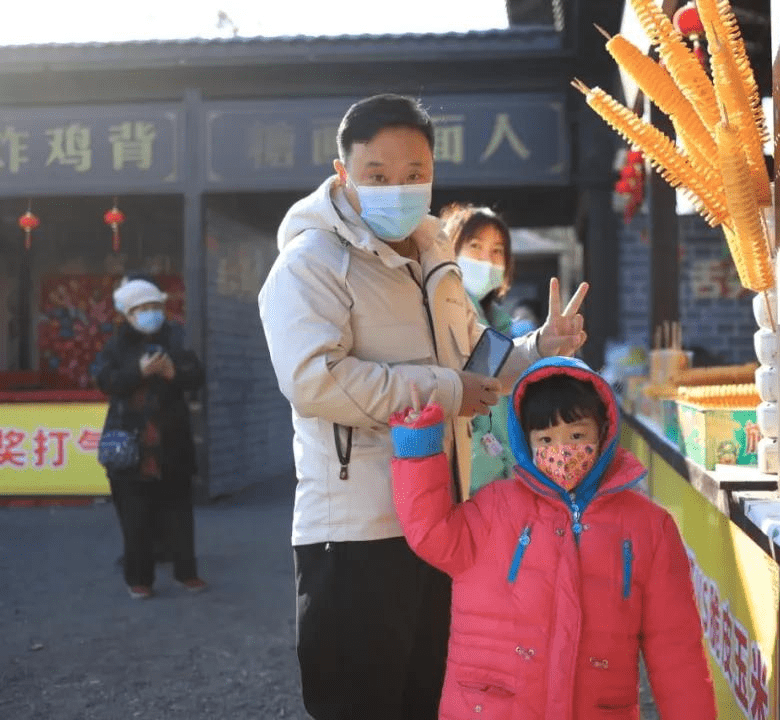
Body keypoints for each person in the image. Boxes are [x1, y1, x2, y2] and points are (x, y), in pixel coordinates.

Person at [257, 93, 589, 720]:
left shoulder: (433, 255)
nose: (397, 189)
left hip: (440, 519)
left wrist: (540, 347)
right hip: (357, 531)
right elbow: (313, 380)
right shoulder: (309, 264)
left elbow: (475, 360)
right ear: (342, 172)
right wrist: (445, 392)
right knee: (361, 702)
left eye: (414, 175)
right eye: (377, 175)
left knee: (430, 699)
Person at [388, 356, 717, 720]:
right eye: (546, 439)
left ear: (604, 431)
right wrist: (418, 449)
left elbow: (675, 649)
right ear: (526, 443)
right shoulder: (495, 507)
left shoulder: (649, 527)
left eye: (577, 435)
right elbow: (431, 532)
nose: (563, 451)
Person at [93, 275, 207, 600]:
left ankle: (187, 573)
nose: (150, 313)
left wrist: (175, 374)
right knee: (134, 519)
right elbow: (105, 380)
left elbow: (196, 374)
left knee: (180, 515)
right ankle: (139, 579)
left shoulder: (177, 339)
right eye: (141, 308)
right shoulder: (115, 346)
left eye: (155, 306)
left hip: (172, 445)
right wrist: (139, 373)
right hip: (130, 447)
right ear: (128, 315)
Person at [442, 203, 518, 496]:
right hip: (470, 489)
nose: (488, 259)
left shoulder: (501, 326)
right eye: (475, 246)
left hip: (498, 486)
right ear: (450, 250)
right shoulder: (446, 317)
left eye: (498, 251)